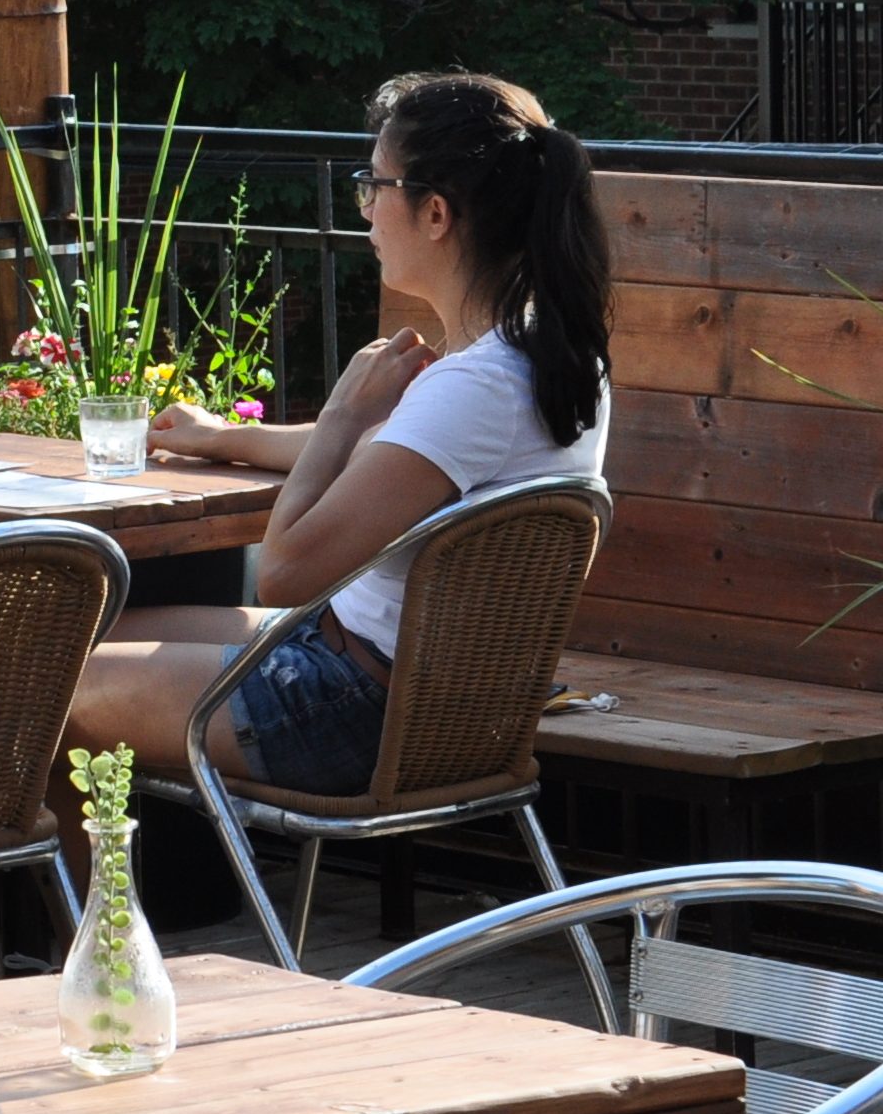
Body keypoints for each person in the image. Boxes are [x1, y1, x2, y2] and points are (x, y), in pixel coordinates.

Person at [69, 71, 614, 795]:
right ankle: (92, 908)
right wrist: (222, 435)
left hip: (347, 706)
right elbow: (390, 464)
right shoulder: (546, 358)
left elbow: (286, 571)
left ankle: (64, 908)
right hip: (438, 701)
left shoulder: (474, 386)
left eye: (374, 184)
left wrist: (340, 414)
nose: (363, 210)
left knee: (32, 687)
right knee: (71, 641)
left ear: (436, 213)